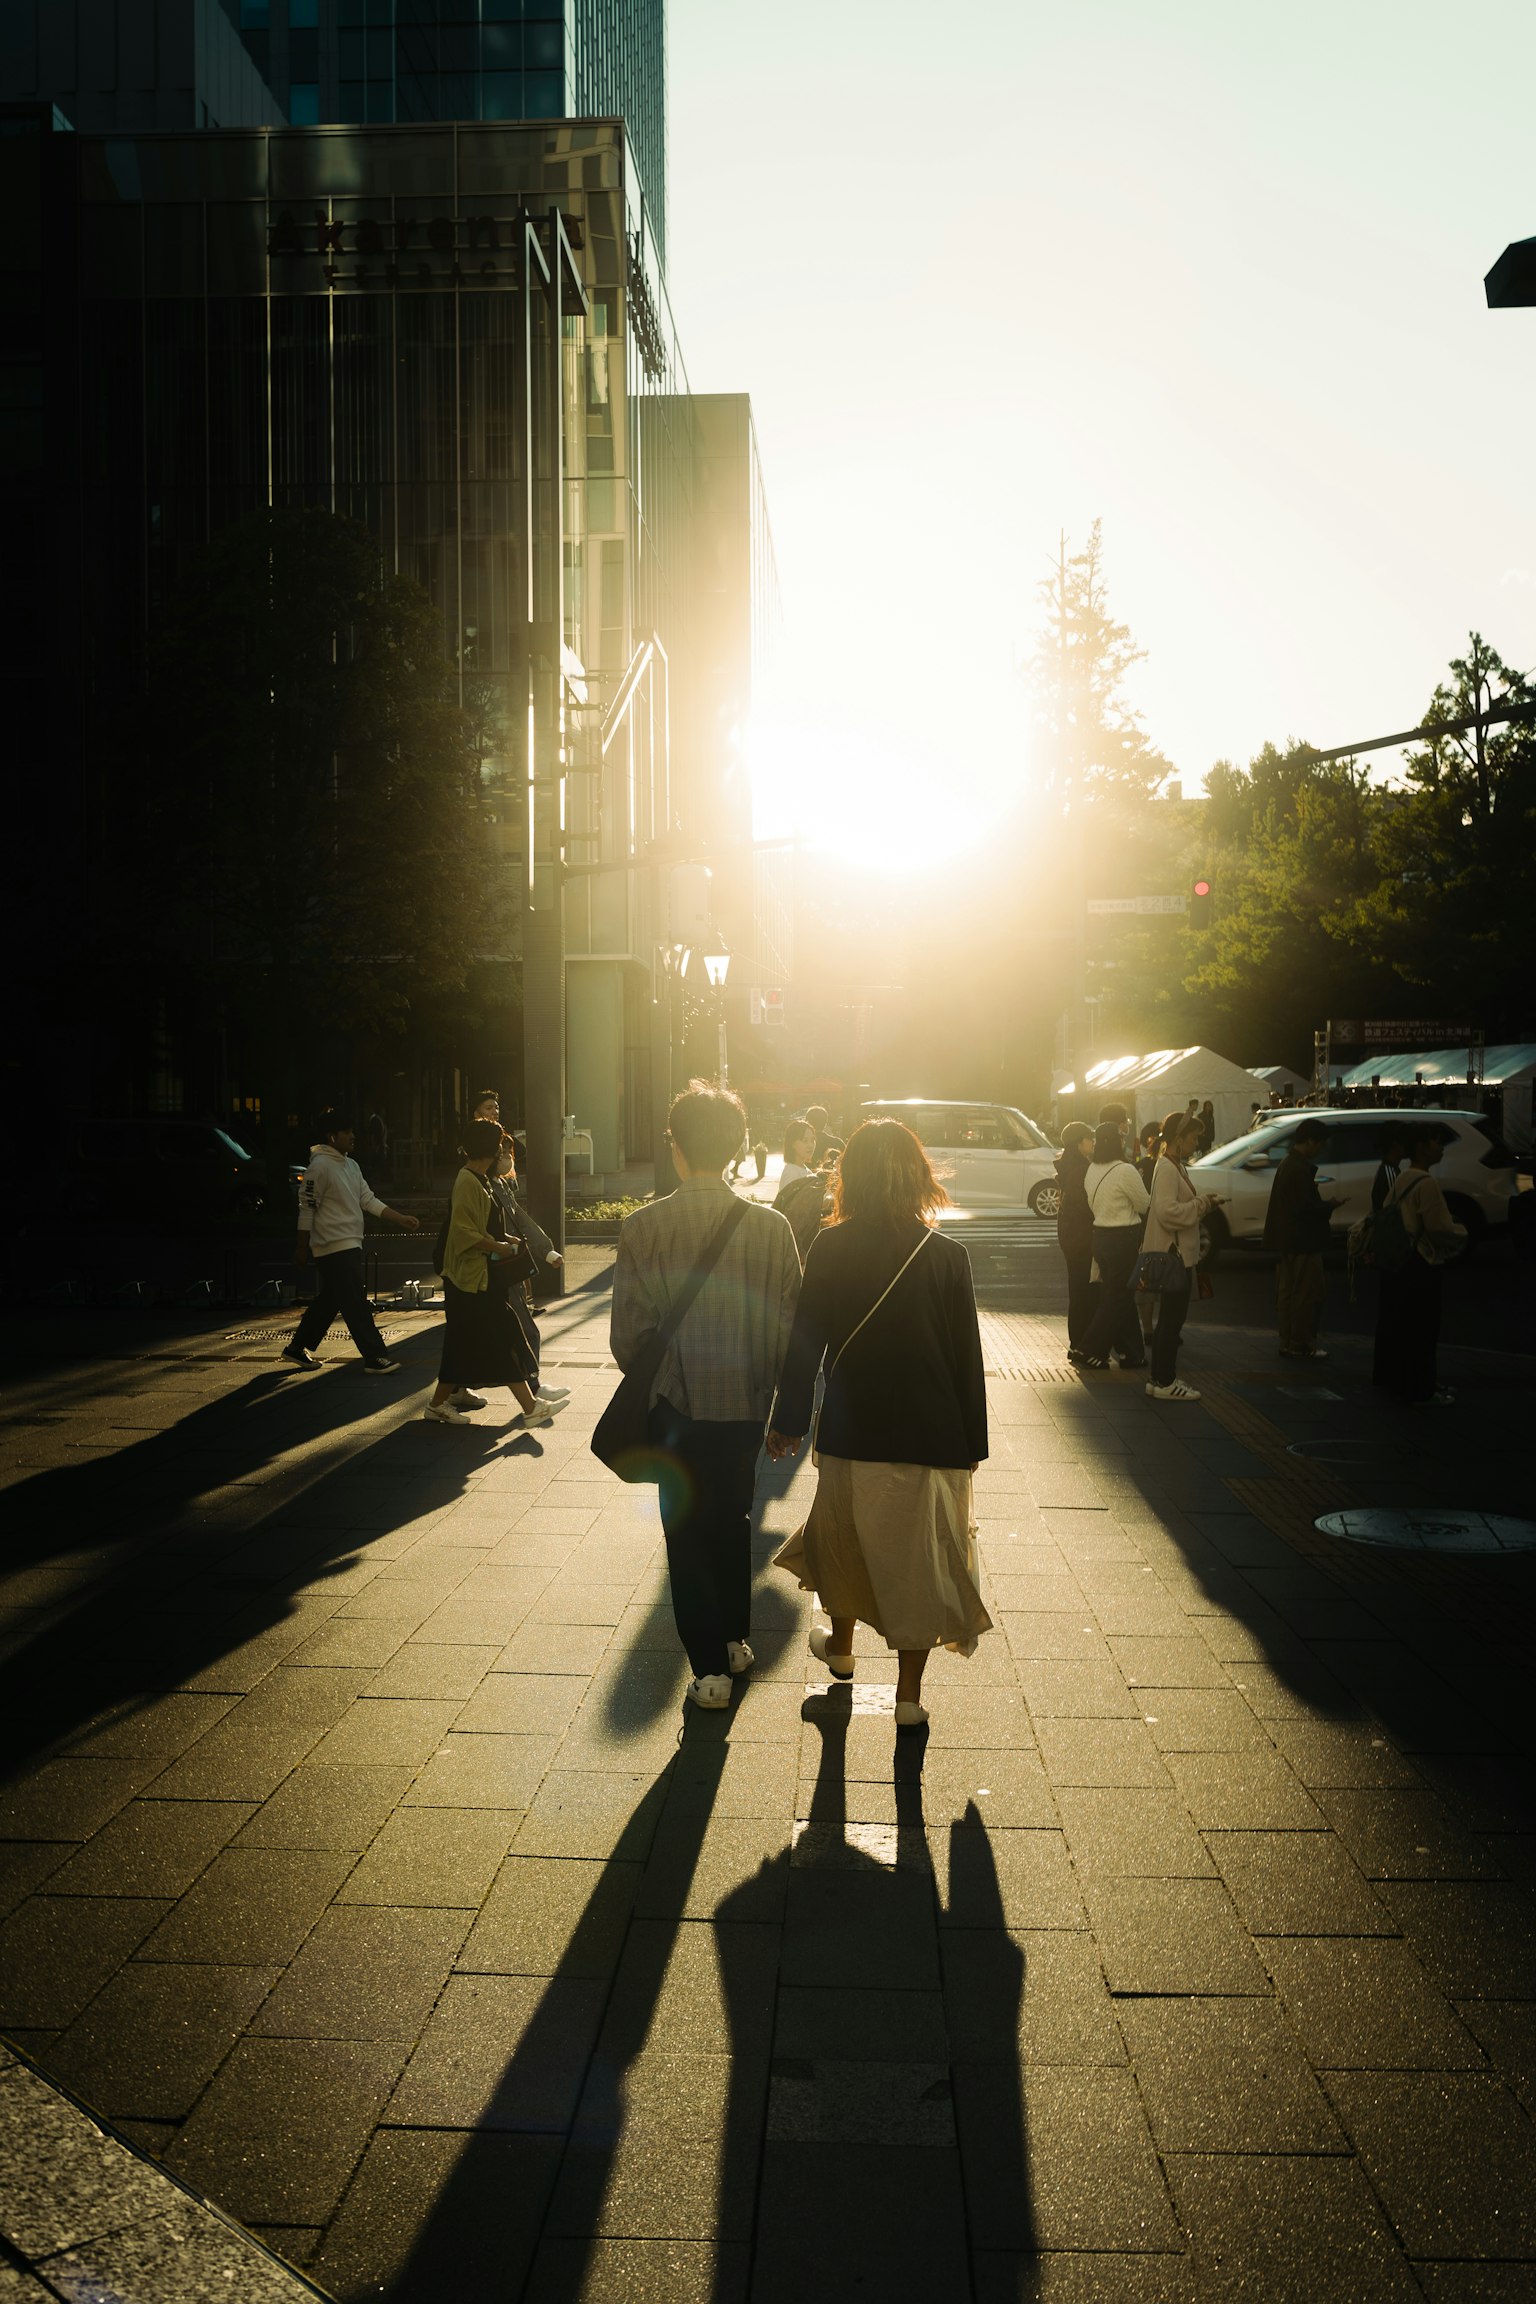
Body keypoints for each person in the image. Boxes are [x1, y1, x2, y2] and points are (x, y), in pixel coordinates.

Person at [766, 1118, 990, 1731]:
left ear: (851, 1178)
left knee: (843, 1543)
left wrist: (786, 1422)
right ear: (919, 1177)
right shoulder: (947, 1256)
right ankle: (908, 1698)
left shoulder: (831, 1246)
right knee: (917, 1561)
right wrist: (972, 1443)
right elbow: (966, 1359)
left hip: (852, 1428)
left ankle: (840, 1649)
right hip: (932, 1432)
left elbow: (804, 1344)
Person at [610, 1082, 802, 1710]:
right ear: (738, 1146)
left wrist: (664, 1375)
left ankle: (708, 1667)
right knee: (733, 1517)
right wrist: (779, 1408)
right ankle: (735, 1639)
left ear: (675, 1146)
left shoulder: (643, 1226)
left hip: (675, 1406)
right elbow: (787, 1326)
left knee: (685, 1528)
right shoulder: (771, 1228)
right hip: (744, 1405)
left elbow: (628, 1335)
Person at [423, 1121, 570, 1428]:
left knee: (468, 1344)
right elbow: (463, 1234)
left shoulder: (480, 1180)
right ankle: (531, 1407)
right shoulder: (467, 1182)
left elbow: (484, 1226)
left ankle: (438, 1405)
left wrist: (508, 1240)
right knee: (501, 1340)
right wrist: (500, 1247)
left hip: (479, 1278)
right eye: (501, 1146)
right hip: (468, 1279)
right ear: (489, 1149)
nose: (505, 1152)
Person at [282, 1114, 420, 1373]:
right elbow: (307, 1208)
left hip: (349, 1243)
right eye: (347, 1132)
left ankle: (296, 1348)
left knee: (330, 1300)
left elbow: (368, 1200)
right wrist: (302, 1246)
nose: (353, 1136)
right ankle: (375, 1356)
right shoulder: (319, 1167)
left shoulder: (351, 1165)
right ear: (331, 1137)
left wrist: (399, 1218)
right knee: (355, 1301)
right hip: (332, 1246)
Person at [1373, 1125, 1466, 1405]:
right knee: (1423, 1328)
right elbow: (1439, 1228)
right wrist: (1462, 1231)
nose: (1440, 1149)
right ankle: (1421, 1386)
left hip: (1398, 1262)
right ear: (1423, 1147)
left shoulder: (1402, 1179)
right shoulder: (1426, 1183)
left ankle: (1399, 1381)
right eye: (1437, 1143)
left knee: (1400, 1325)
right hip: (1421, 1263)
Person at [1141, 1108, 1223, 1402]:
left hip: (1174, 1254)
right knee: (1171, 1322)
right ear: (1178, 1139)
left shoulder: (1173, 1164)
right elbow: (1166, 1212)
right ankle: (1164, 1381)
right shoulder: (1167, 1168)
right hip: (1172, 1255)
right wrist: (1202, 1204)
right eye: (1192, 1137)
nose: (1195, 1143)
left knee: (1169, 1322)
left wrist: (1204, 1203)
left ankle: (1159, 1379)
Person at [485, 1133, 570, 1414]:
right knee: (518, 1329)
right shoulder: (480, 1186)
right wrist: (509, 1245)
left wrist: (546, 1250)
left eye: (510, 1152)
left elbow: (521, 1219)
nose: (508, 1158)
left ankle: (453, 1391)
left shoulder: (501, 1185)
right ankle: (532, 1392)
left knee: (478, 1337)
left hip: (505, 1267)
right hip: (494, 1270)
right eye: (502, 1153)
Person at [1262, 1117, 1344, 1359]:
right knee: (1305, 1294)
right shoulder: (1298, 1169)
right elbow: (1304, 1209)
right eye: (1319, 1145)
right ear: (1309, 1141)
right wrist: (1328, 1205)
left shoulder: (1288, 1164)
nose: (1319, 1150)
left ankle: (1288, 1341)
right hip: (1303, 1241)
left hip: (1288, 1241)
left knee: (1288, 1293)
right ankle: (1301, 1343)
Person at [1072, 1121, 1150, 1371]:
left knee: (1119, 1296)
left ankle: (1132, 1353)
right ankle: (1089, 1349)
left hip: (1100, 1237)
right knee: (1117, 1298)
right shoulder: (1125, 1170)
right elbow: (1144, 1204)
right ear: (1116, 1141)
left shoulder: (1092, 1169)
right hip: (1123, 1238)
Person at [1053, 1122, 1098, 1351]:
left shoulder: (1068, 1166)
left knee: (1078, 1290)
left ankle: (1077, 1342)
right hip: (1081, 1238)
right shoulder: (1081, 1169)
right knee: (1084, 1292)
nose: (1092, 1142)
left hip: (1070, 1237)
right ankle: (1080, 1343)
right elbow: (1084, 1206)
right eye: (1089, 1138)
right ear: (1079, 1143)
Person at [1370, 1125, 1410, 1211]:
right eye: (1405, 1142)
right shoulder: (1390, 1174)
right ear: (1395, 1145)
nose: (1408, 1146)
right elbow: (1393, 1209)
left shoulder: (1389, 1170)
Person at [778, 1119, 818, 1194]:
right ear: (792, 1143)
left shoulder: (804, 1169)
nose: (811, 1145)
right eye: (805, 1141)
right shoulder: (791, 1173)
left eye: (812, 1140)